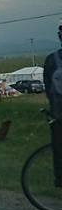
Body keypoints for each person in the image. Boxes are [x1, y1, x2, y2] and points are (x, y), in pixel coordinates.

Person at [43, 20, 62, 188]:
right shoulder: (52, 60)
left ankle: (59, 178)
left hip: (58, 113)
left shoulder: (52, 60)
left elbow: (49, 90)